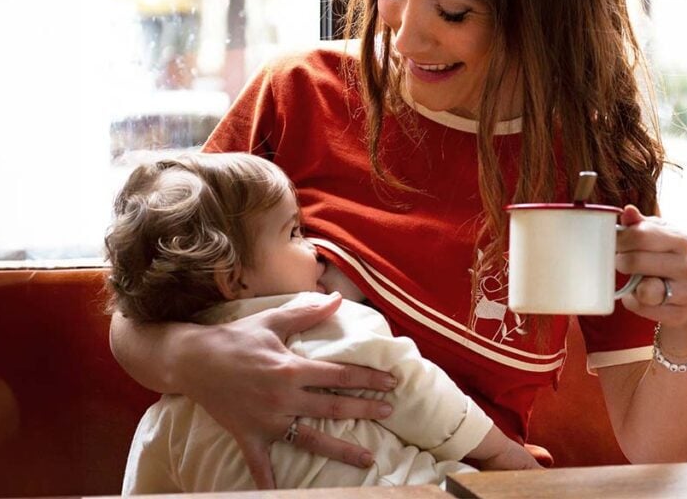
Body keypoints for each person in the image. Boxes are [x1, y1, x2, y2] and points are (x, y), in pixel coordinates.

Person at [110, 0, 687, 489]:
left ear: (544, 11)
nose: (404, 40)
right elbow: (133, 319)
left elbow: (655, 448)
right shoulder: (297, 93)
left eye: (452, 13)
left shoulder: (595, 163)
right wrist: (200, 361)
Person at [107, 153, 538, 493]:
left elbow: (148, 488)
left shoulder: (164, 422)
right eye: (294, 232)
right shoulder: (325, 320)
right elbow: (413, 389)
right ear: (233, 279)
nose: (314, 247)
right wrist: (499, 451)